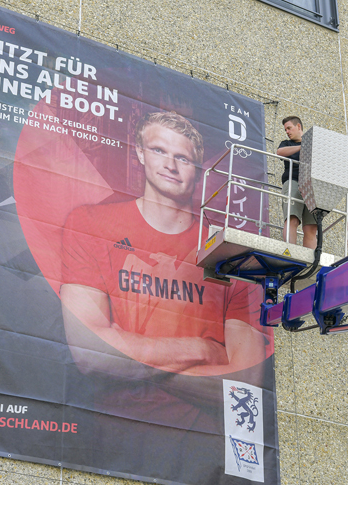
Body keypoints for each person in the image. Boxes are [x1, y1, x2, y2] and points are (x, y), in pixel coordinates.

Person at [60, 111, 268, 378]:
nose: (170, 165)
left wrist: (129, 360)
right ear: (141, 153)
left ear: (199, 169)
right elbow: (90, 354)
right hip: (112, 416)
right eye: (159, 150)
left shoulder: (229, 255)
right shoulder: (90, 224)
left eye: (182, 158)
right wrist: (202, 350)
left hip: (200, 421)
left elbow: (246, 380)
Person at [277, 116, 317, 248]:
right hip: (293, 180)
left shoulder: (313, 146)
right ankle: (290, 251)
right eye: (285, 130)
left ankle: (310, 259)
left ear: (298, 126)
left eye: (289, 128)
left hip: (311, 186)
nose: (287, 132)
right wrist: (302, 147)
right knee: (292, 218)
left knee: (311, 227)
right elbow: (280, 152)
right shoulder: (287, 143)